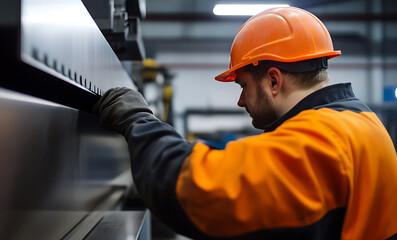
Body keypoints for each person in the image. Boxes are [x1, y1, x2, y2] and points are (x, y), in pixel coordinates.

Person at [93, 7, 397, 240]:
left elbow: (197, 189)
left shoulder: (322, 140)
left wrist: (139, 120)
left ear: (274, 81)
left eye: (242, 86)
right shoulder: (362, 121)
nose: (240, 101)